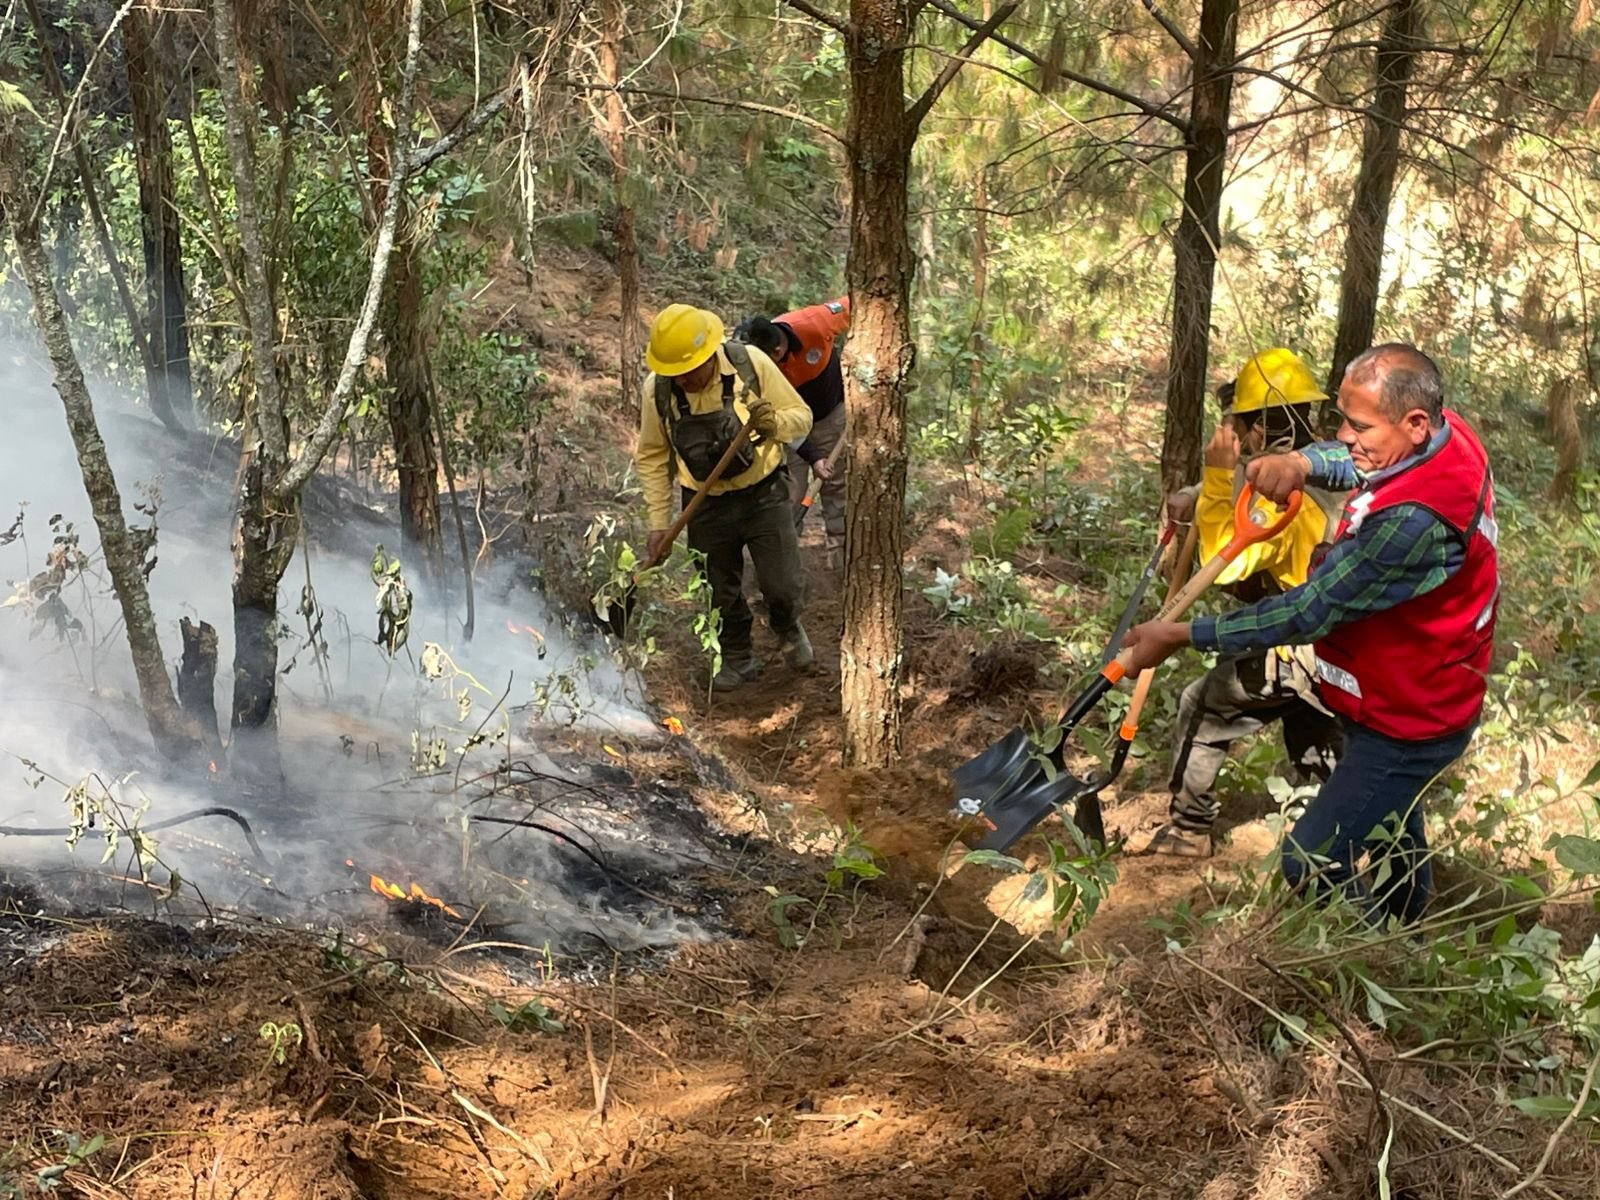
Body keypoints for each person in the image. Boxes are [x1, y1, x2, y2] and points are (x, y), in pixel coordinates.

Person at [1122, 344, 1499, 925]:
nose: (1345, 435)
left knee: (1310, 859)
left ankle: (1370, 949)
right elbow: (1355, 462)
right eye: (1343, 419)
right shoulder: (1445, 439)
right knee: (1397, 827)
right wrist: (1302, 463)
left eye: (1359, 424)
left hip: (1407, 718)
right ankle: (1404, 925)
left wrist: (1182, 634)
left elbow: (1308, 611)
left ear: (1415, 422)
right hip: (1396, 685)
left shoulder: (1413, 523)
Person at [1137, 349, 1347, 857]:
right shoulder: (1326, 464)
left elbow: (1224, 563)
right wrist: (1196, 490)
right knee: (1315, 732)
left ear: (1254, 428)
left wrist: (1212, 479)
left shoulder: (1281, 499)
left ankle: (1188, 831)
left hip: (1304, 639)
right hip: (1346, 643)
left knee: (1204, 706)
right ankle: (1339, 836)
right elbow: (1246, 483)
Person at [637, 304, 815, 691]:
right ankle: (737, 655)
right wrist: (658, 522)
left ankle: (787, 626)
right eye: (674, 374)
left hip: (764, 493)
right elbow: (653, 455)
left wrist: (775, 424)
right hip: (704, 503)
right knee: (718, 589)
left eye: (689, 371)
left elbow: (801, 416)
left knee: (781, 583)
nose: (682, 380)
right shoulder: (659, 390)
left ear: (708, 355)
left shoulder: (749, 364)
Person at [734, 297, 851, 557]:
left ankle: (839, 550)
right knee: (791, 489)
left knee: (835, 483)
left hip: (830, 416)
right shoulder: (751, 366)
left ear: (777, 351)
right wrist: (810, 453)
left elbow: (860, 304)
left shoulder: (814, 323)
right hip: (788, 424)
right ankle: (785, 554)